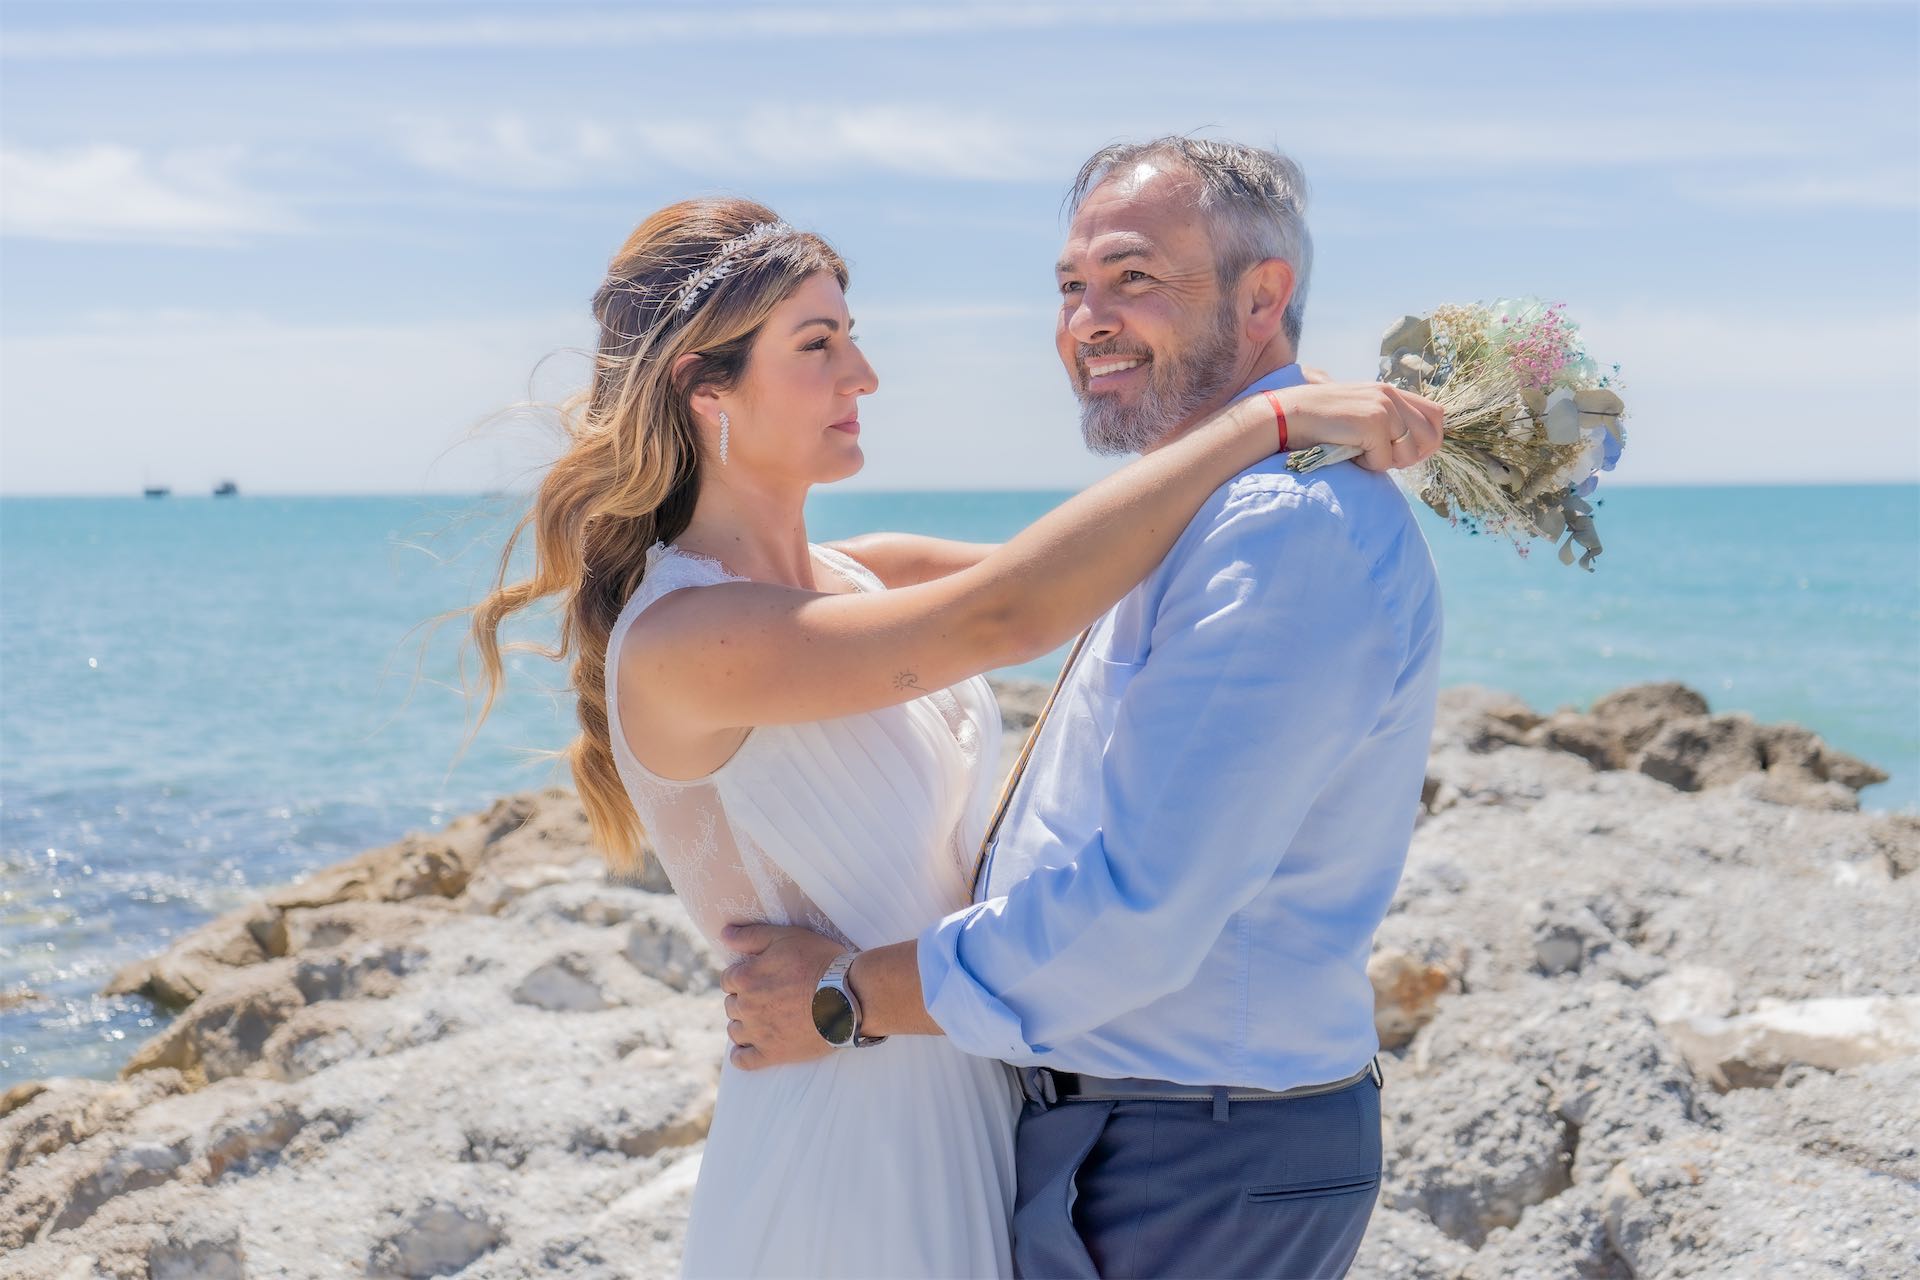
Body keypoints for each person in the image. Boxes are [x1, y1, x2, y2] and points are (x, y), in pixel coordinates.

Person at [459, 188, 1437, 1278]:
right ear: (706, 388)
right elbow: (1009, 614)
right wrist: (1268, 422)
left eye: (852, 336)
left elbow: (1122, 565)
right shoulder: (687, 638)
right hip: (843, 1125)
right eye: (818, 345)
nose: (863, 375)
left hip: (965, 1084)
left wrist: (1297, 414)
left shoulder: (865, 574)